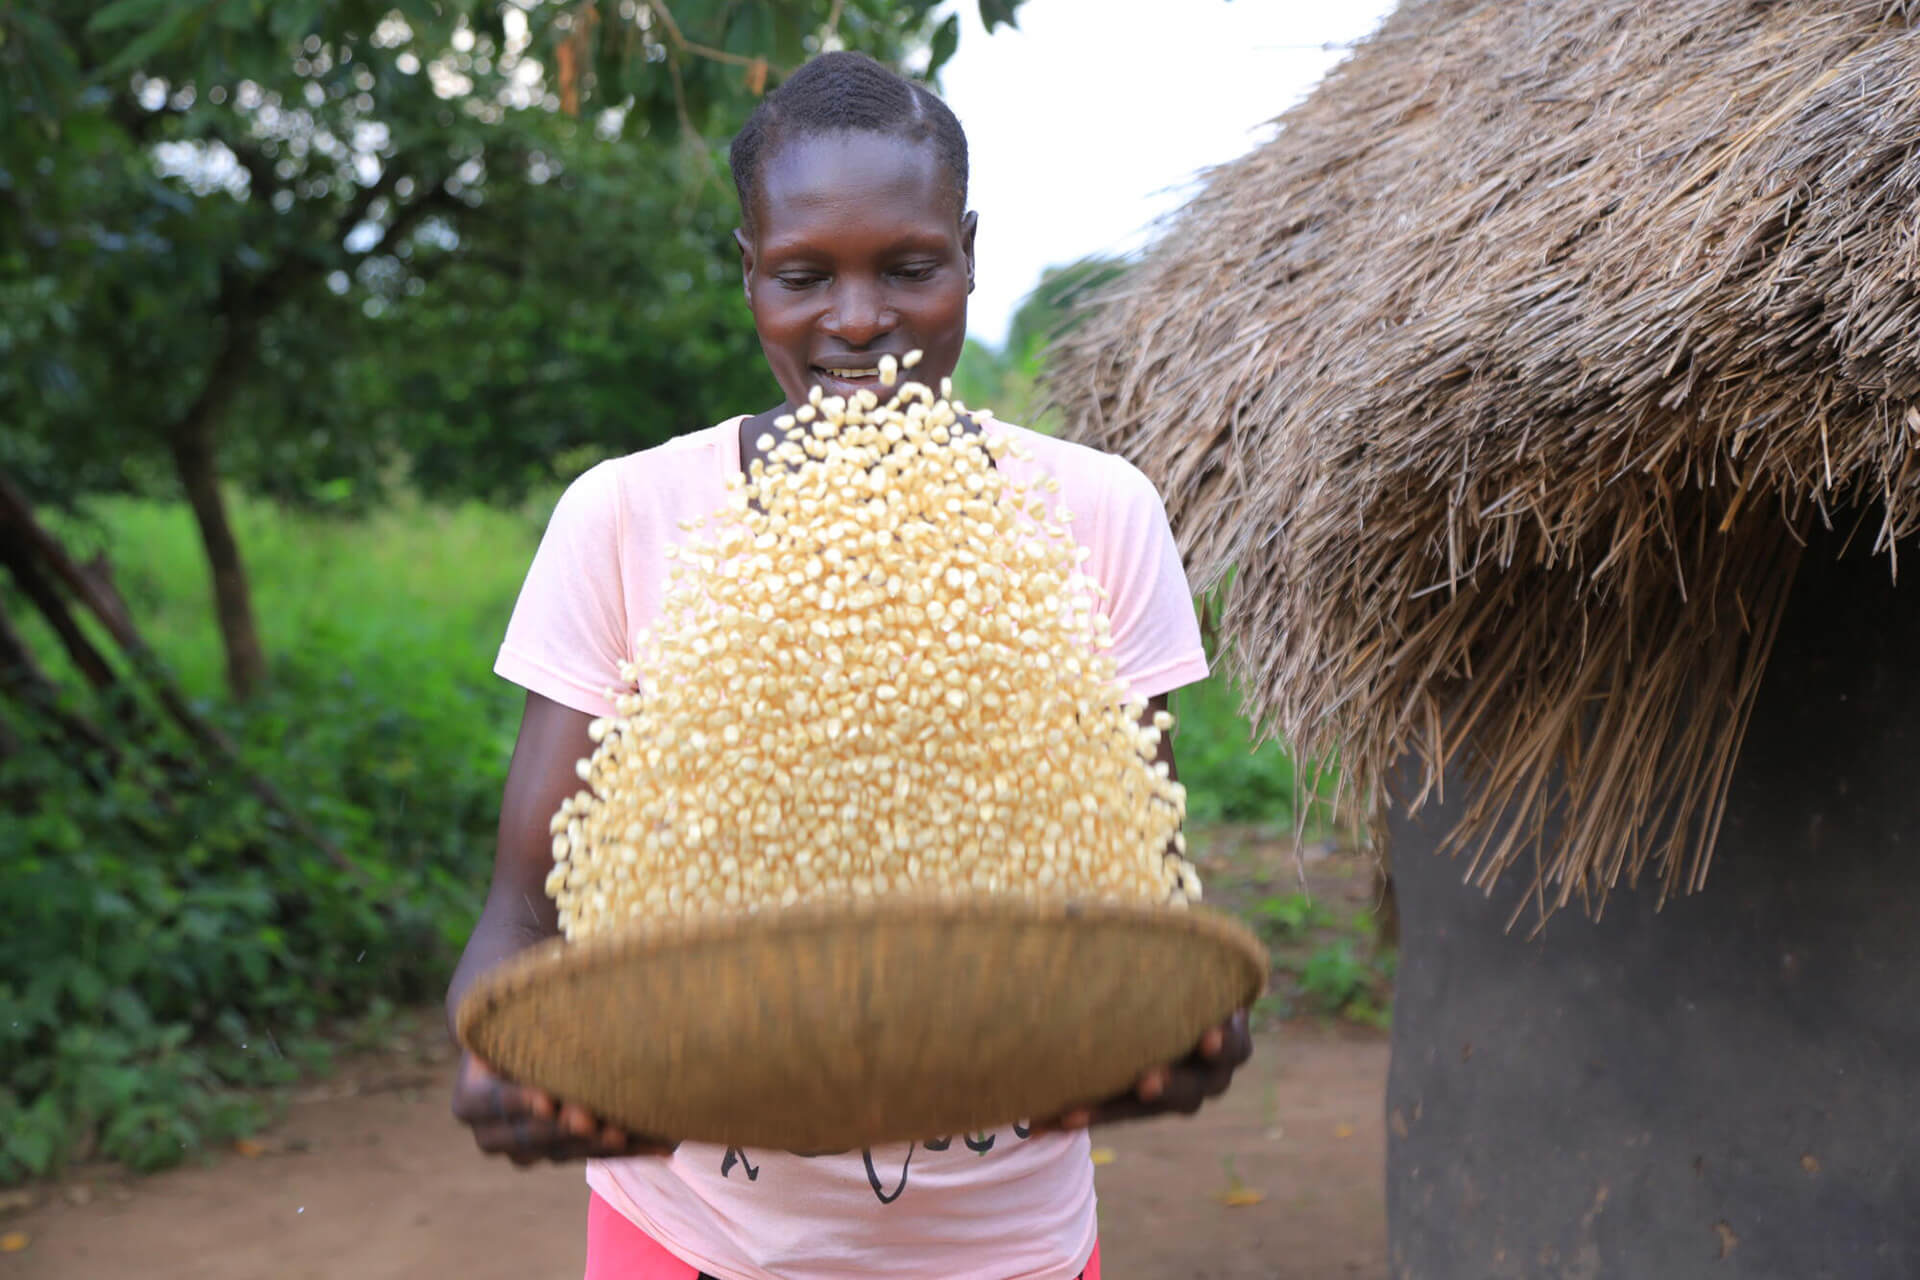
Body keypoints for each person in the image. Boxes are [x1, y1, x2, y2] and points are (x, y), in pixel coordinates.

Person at [445, 50, 1252, 1280]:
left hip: (1010, 1244)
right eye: (805, 275)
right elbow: (523, 911)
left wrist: (1167, 1036)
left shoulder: (1093, 512)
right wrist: (506, 1059)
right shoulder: (628, 516)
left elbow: (1136, 892)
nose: (860, 320)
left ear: (970, 253)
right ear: (749, 272)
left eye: (910, 267)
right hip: (695, 1233)